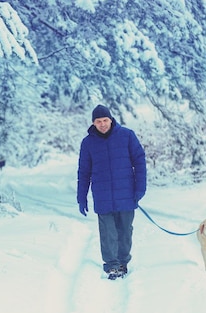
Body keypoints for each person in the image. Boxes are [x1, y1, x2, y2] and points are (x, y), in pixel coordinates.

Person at [77, 104, 147, 280]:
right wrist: (81, 197)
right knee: (108, 233)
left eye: (105, 120)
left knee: (125, 232)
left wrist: (140, 188)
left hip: (127, 194)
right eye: (98, 121)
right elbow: (83, 171)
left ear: (111, 119)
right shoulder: (88, 143)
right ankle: (112, 265)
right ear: (93, 123)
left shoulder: (127, 135)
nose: (102, 124)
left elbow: (139, 161)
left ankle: (122, 262)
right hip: (103, 196)